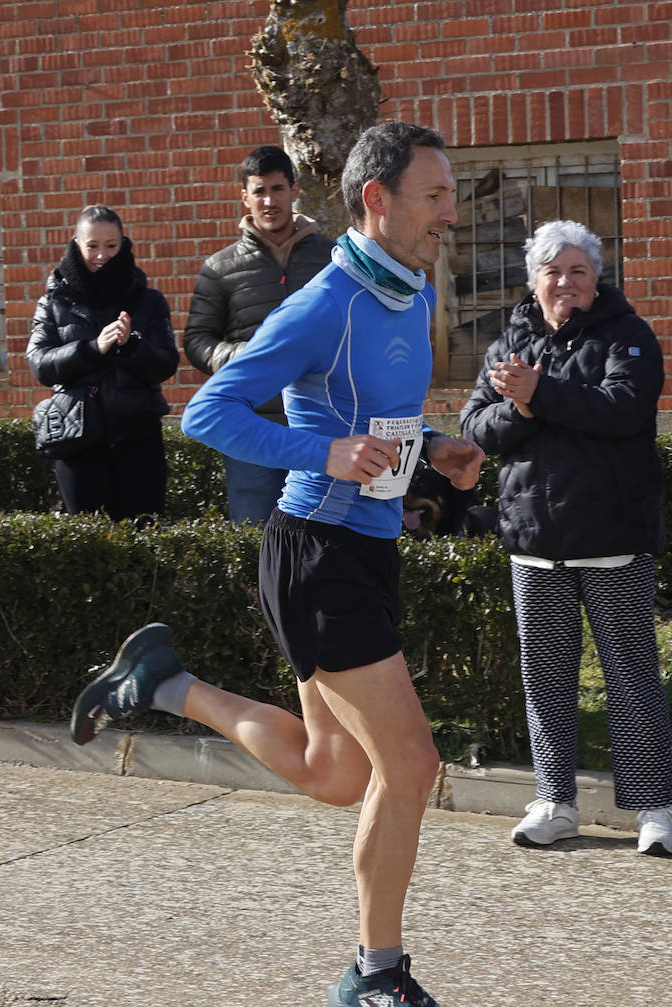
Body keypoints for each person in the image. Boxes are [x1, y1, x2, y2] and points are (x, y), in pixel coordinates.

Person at [67, 123, 485, 1007]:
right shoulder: (324, 303)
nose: (452, 211)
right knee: (408, 766)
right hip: (315, 554)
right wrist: (322, 454)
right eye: (435, 195)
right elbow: (207, 413)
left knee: (338, 775)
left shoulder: (410, 290)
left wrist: (435, 449)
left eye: (452, 193)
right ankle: (374, 977)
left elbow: (380, 422)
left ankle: (164, 683)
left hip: (367, 549)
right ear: (377, 200)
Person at [459, 219, 672, 856]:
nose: (565, 283)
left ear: (597, 278)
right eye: (553, 271)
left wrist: (540, 394)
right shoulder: (510, 342)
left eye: (577, 271)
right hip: (533, 539)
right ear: (534, 281)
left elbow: (623, 409)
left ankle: (653, 809)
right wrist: (523, 406)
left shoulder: (627, 335)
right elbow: (476, 427)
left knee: (631, 674)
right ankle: (555, 800)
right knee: (546, 676)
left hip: (612, 535)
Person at [183, 144, 333, 524]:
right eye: (259, 191)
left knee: (324, 542)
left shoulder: (333, 260)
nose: (269, 200)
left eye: (278, 189)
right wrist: (248, 358)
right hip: (253, 426)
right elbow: (197, 340)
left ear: (294, 191)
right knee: (255, 539)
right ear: (244, 196)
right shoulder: (219, 268)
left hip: (323, 425)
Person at [26, 204, 178, 522]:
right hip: (76, 438)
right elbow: (40, 363)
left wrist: (131, 345)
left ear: (123, 245)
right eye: (92, 246)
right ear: (77, 245)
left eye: (111, 245)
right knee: (86, 542)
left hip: (138, 438)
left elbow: (166, 364)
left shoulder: (148, 301)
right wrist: (93, 348)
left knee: (145, 537)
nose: (101, 255)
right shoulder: (53, 302)